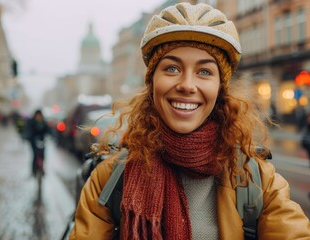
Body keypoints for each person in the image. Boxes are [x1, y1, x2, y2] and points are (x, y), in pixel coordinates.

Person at [69, 2, 310, 239]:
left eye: (204, 71)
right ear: (152, 83)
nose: (187, 85)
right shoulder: (109, 179)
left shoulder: (256, 180)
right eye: (172, 68)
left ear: (220, 89)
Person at [24, 109, 50, 176]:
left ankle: (42, 168)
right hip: (33, 141)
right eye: (37, 116)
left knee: (43, 154)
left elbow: (49, 130)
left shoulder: (44, 123)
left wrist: (53, 135)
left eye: (40, 116)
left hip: (42, 141)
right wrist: (27, 136)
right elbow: (27, 130)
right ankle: (33, 171)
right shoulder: (31, 122)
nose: (38, 117)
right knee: (35, 155)